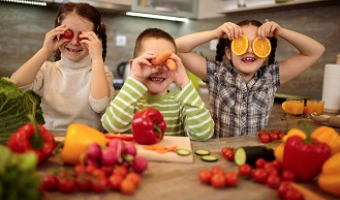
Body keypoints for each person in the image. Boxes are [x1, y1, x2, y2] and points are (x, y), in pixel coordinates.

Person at [175, 20, 325, 138]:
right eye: (242, 43)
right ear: (229, 52)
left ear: (266, 51)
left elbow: (315, 51)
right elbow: (176, 47)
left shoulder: (271, 76)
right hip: (221, 150)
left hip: (256, 153)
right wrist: (215, 33)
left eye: (258, 44)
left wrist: (282, 32)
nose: (250, 50)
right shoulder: (216, 73)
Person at [10, 2, 115, 132]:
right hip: (48, 142)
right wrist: (45, 50)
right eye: (68, 33)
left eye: (83, 36)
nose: (75, 42)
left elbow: (100, 105)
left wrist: (97, 58)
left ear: (95, 39)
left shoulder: (102, 73)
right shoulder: (46, 70)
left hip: (87, 144)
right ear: (57, 32)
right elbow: (16, 86)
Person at [101, 28, 214, 141]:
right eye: (150, 61)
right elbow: (112, 126)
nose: (158, 69)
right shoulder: (129, 101)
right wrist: (135, 77)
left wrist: (185, 82)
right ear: (133, 65)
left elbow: (203, 134)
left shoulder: (182, 103)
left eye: (166, 62)